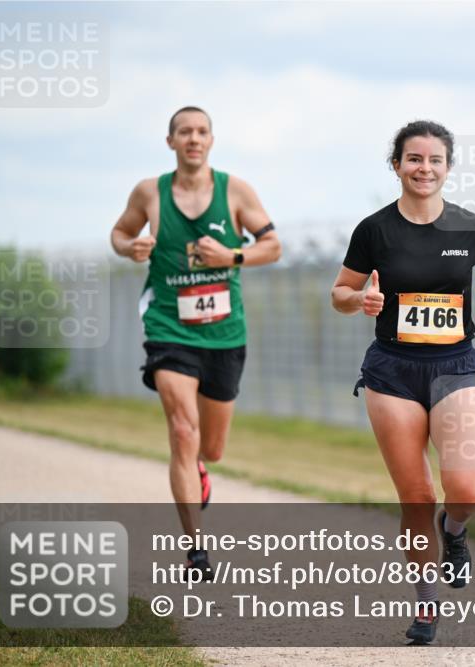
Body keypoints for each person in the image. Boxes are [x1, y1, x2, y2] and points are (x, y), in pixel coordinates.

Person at [331, 120, 475, 644]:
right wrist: (359, 301)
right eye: (414, 159)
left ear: (447, 168)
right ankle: (426, 610)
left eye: (435, 160)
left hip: (455, 366)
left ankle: (454, 530)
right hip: (392, 370)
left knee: (465, 489)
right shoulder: (374, 230)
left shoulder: (468, 227)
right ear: (396, 166)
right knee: (416, 495)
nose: (424, 168)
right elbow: (340, 292)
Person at [111, 106, 281, 578]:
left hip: (225, 334)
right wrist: (131, 247)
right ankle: (197, 551)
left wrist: (233, 254)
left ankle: (202, 469)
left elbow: (274, 245)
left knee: (213, 447)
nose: (193, 138)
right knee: (183, 433)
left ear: (211, 140)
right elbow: (120, 233)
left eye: (201, 131)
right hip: (169, 328)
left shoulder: (235, 191)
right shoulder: (150, 192)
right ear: (170, 142)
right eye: (184, 131)